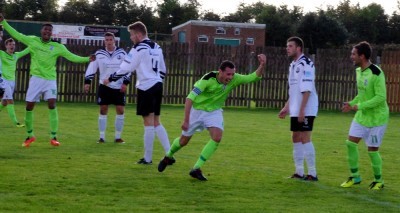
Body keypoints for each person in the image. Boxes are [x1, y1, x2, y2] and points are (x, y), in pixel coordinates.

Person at [157, 54, 266, 181]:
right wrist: (186, 120)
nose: (230, 77)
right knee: (183, 141)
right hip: (197, 111)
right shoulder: (207, 79)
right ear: (220, 72)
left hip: (214, 111)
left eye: (232, 74)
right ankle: (168, 156)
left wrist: (262, 65)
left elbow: (252, 77)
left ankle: (197, 168)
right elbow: (189, 98)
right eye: (228, 74)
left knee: (217, 137)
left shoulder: (234, 78)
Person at [0, 14, 94, 147]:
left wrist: (86, 59)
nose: (47, 32)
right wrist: (4, 22)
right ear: (41, 31)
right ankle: (30, 135)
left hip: (50, 80)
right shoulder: (33, 41)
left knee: (51, 104)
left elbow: (72, 57)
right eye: (45, 29)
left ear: (51, 33)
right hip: (36, 79)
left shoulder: (57, 47)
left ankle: (53, 136)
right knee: (29, 106)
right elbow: (17, 35)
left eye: (49, 30)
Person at [104, 21, 170, 164]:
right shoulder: (157, 47)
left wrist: (110, 78)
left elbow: (126, 67)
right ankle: (169, 153)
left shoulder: (138, 48)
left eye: (132, 35)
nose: (131, 38)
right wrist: (156, 80)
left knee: (148, 123)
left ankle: (147, 158)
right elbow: (163, 70)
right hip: (157, 85)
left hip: (146, 87)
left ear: (139, 35)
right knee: (156, 121)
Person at [340, 41, 389, 190]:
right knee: (350, 143)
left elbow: (381, 97)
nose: (351, 56)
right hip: (362, 116)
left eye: (354, 54)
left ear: (362, 56)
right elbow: (362, 94)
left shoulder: (376, 72)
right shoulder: (358, 71)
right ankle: (355, 177)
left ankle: (378, 180)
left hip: (377, 118)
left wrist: (358, 106)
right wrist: (352, 103)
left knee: (372, 150)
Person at [278, 36, 319, 181]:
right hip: (296, 108)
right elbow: (294, 90)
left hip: (307, 108)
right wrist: (286, 107)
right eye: (287, 46)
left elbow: (306, 90)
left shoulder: (306, 64)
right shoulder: (293, 65)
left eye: (290, 46)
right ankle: (299, 172)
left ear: (298, 48)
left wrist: (302, 110)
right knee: (295, 137)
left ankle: (313, 173)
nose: (287, 48)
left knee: (305, 137)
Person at [84, 32, 130, 144]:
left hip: (118, 86)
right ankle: (102, 137)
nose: (109, 41)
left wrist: (125, 82)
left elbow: (128, 68)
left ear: (114, 40)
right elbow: (92, 67)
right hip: (104, 86)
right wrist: (87, 82)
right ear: (104, 41)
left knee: (120, 110)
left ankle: (118, 137)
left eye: (110, 39)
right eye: (107, 40)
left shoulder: (122, 52)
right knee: (103, 109)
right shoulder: (99, 53)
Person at [0, 38, 30, 127]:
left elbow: (27, 50)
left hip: (12, 81)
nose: (12, 46)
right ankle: (16, 123)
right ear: (6, 46)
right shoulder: (1, 54)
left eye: (13, 44)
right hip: (3, 81)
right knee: (10, 101)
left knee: (4, 103)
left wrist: (34, 44)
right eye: (10, 44)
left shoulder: (16, 55)